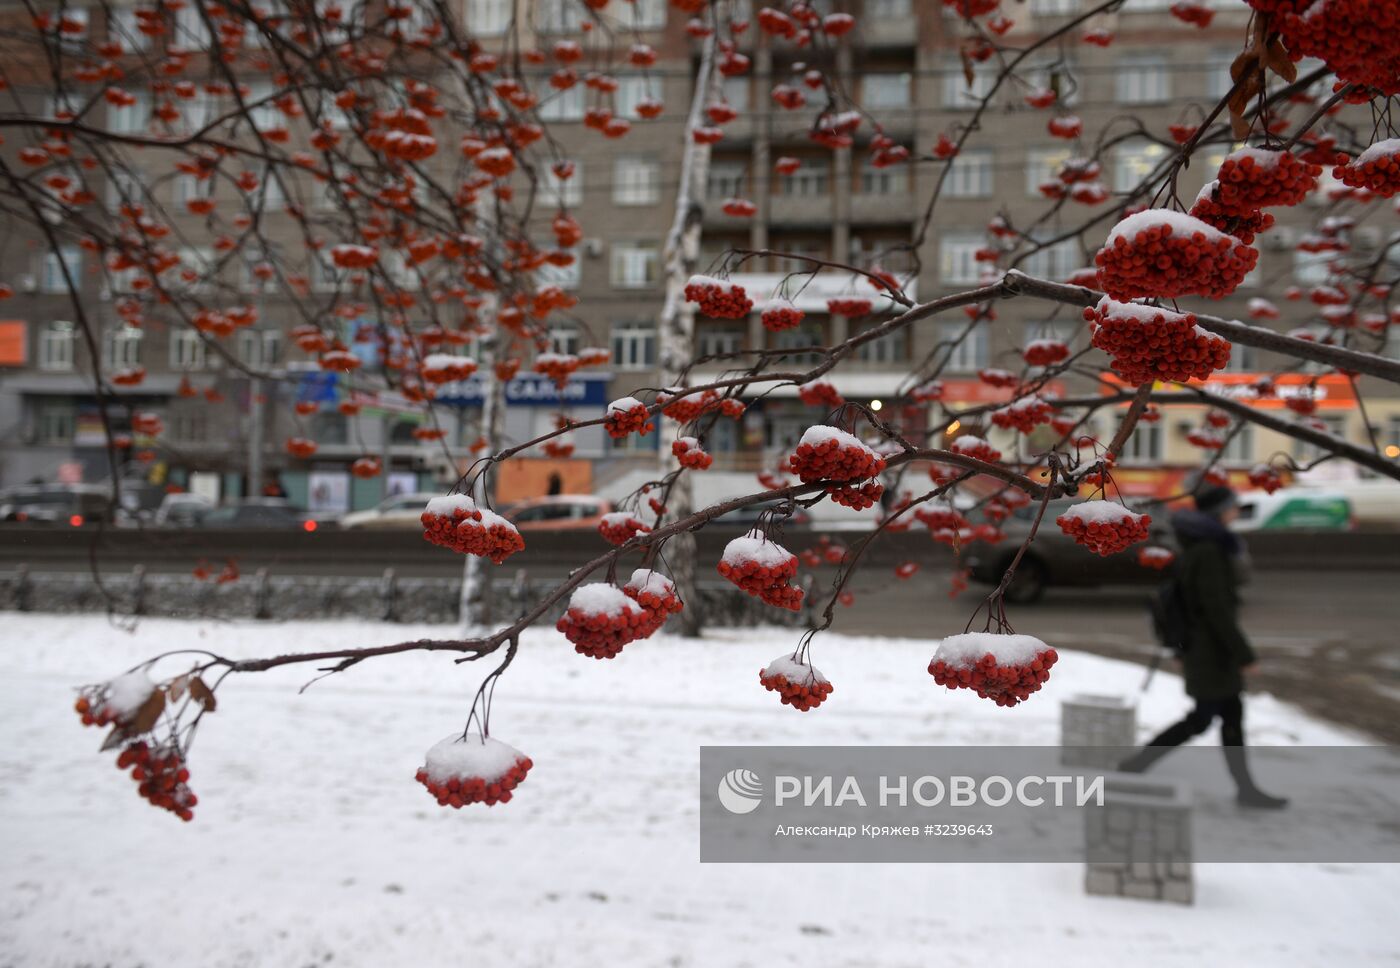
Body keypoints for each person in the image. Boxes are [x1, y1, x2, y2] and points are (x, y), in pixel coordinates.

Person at [1120, 484, 1288, 809]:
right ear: (1219, 511)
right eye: (1232, 506)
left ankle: (1245, 789)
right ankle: (1136, 765)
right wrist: (1244, 655)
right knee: (1202, 719)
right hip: (1210, 652)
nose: (1237, 510)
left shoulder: (1203, 546)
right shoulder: (1210, 551)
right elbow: (1216, 610)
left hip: (1206, 649)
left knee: (1227, 717)